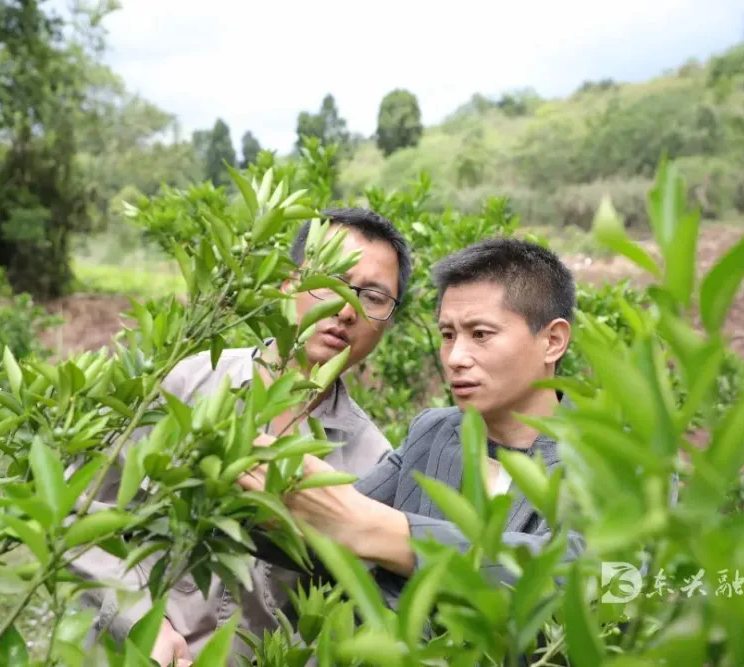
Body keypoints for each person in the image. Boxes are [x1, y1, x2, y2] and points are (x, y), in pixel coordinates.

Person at [69, 207, 413, 666]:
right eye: (330, 278)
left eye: (373, 296)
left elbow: (342, 615)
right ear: (290, 281)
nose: (346, 309)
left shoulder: (373, 463)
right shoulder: (186, 383)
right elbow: (79, 511)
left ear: (389, 318)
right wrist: (138, 620)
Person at [239, 237, 587, 606]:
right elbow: (330, 533)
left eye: (480, 334)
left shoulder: (614, 462)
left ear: (553, 341)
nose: (455, 358)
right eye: (448, 335)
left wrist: (390, 535)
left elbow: (614, 582)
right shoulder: (433, 433)